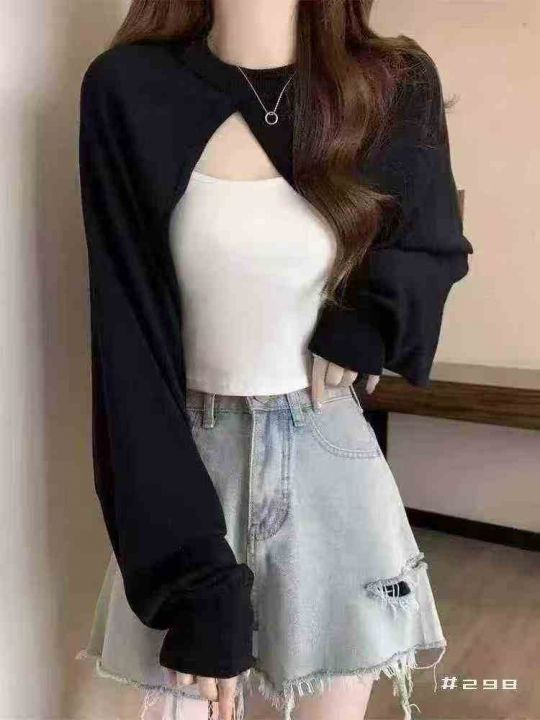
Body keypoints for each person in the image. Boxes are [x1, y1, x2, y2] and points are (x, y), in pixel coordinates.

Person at [75, 1, 473, 719]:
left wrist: (369, 317)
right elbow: (126, 342)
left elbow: (430, 238)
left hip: (329, 456)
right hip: (187, 464)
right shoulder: (129, 88)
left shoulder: (392, 83)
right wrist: (192, 581)